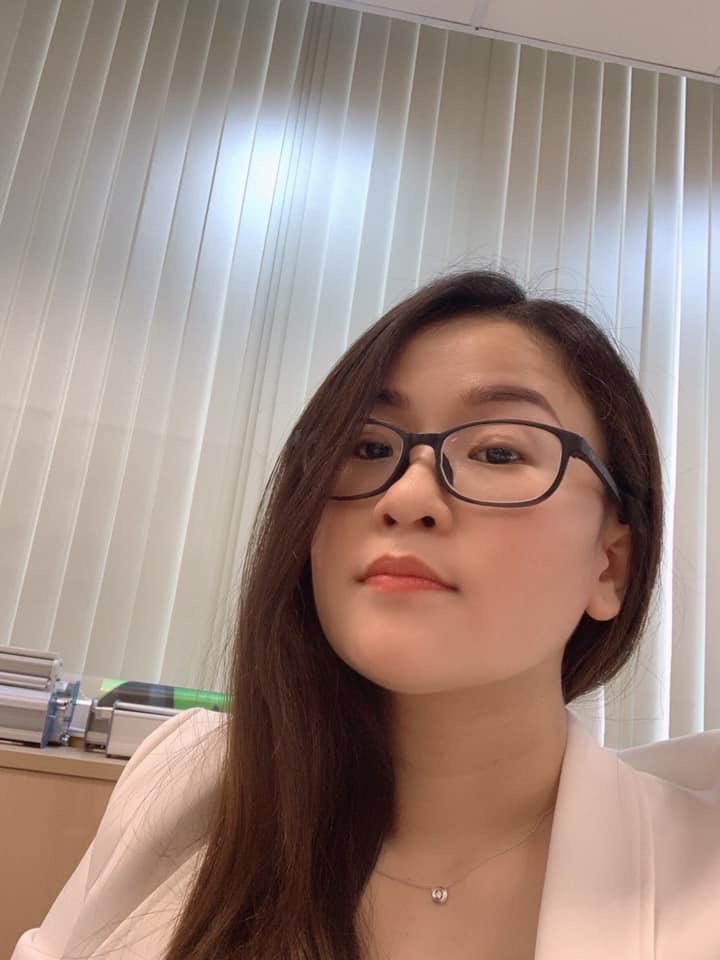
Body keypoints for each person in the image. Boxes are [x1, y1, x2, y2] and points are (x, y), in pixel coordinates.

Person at [12, 271, 720, 960]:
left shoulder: (700, 881)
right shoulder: (183, 786)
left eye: (499, 452)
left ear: (610, 565)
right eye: (370, 448)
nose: (406, 497)